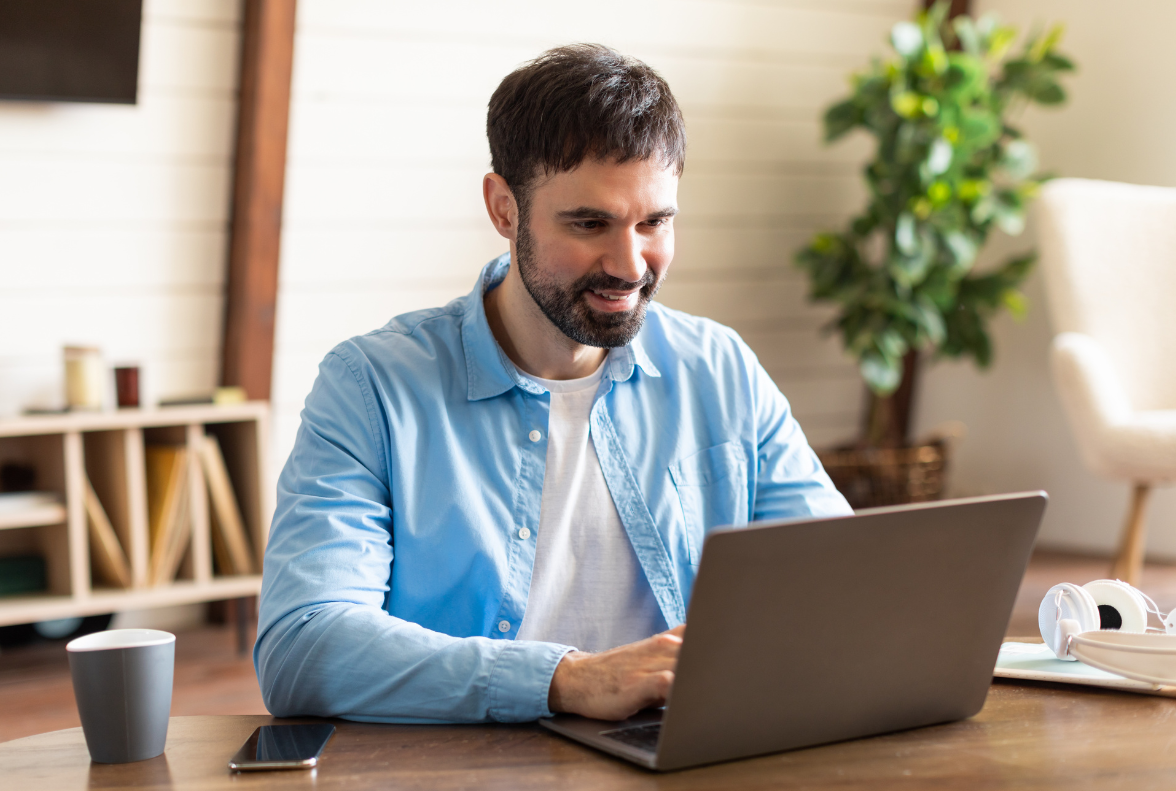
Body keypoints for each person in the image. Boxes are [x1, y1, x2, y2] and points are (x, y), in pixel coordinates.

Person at [256, 44, 851, 725]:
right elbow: (303, 648)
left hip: (681, 754)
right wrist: (566, 681)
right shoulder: (372, 387)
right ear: (504, 209)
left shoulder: (720, 368)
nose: (630, 265)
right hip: (463, 765)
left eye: (654, 222)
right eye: (590, 224)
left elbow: (837, 581)